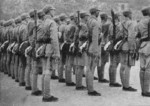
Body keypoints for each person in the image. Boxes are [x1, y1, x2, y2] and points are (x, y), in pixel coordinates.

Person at [42, 5, 60, 102]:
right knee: (48, 72)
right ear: (49, 11)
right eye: (53, 10)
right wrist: (57, 53)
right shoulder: (52, 22)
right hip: (50, 49)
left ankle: (45, 93)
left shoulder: (44, 22)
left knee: (45, 71)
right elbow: (54, 39)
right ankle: (47, 96)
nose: (54, 11)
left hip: (45, 48)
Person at [119, 9, 137, 91]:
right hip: (128, 46)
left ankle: (123, 84)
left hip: (122, 45)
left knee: (122, 65)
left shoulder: (121, 23)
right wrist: (132, 48)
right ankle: (126, 86)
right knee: (127, 66)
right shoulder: (131, 23)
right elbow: (131, 37)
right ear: (129, 14)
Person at [86, 7, 101, 96]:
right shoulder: (95, 22)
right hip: (94, 47)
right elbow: (95, 38)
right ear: (95, 12)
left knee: (89, 69)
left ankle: (89, 87)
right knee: (91, 69)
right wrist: (96, 52)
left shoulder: (88, 21)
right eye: (98, 12)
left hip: (89, 46)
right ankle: (91, 90)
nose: (98, 13)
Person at [136, 6, 150, 97]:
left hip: (141, 46)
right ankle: (146, 91)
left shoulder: (139, 22)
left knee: (142, 69)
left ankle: (143, 90)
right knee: (148, 69)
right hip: (149, 45)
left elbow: (137, 36)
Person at [74, 11, 89, 90]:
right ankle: (79, 85)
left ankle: (78, 84)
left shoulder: (79, 25)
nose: (88, 17)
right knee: (81, 66)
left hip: (78, 45)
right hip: (82, 46)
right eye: (87, 15)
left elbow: (76, 36)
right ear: (84, 17)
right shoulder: (84, 25)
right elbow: (82, 35)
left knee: (79, 66)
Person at [108, 12, 122, 87]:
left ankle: (111, 80)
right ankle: (113, 82)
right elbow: (120, 35)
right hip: (116, 45)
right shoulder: (118, 25)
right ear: (117, 17)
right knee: (115, 63)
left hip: (111, 44)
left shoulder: (111, 25)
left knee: (111, 63)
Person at [97, 12, 110, 83]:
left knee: (100, 61)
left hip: (100, 43)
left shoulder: (99, 24)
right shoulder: (107, 24)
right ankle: (101, 77)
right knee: (103, 61)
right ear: (105, 17)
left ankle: (100, 77)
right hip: (105, 43)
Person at [58, 13, 67, 83]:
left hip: (59, 43)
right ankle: (61, 77)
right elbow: (63, 36)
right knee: (63, 61)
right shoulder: (64, 26)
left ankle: (60, 76)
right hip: (63, 43)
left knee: (60, 61)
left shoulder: (59, 26)